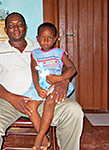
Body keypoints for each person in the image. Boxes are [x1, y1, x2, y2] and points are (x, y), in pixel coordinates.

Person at [0, 12, 84, 150]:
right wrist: (12, 98)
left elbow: (63, 66)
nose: (16, 28)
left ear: (26, 27)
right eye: (11, 25)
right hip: (6, 101)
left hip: (42, 99)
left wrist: (63, 82)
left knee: (73, 111)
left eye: (19, 24)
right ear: (5, 30)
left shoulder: (41, 45)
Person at [22, 22, 76, 150]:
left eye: (49, 38)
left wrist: (59, 79)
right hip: (40, 85)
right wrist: (37, 87)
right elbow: (34, 72)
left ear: (55, 39)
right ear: (37, 39)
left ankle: (39, 137)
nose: (46, 41)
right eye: (42, 38)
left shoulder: (59, 53)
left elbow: (72, 69)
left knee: (50, 102)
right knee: (30, 107)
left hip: (56, 85)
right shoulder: (34, 54)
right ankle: (45, 138)